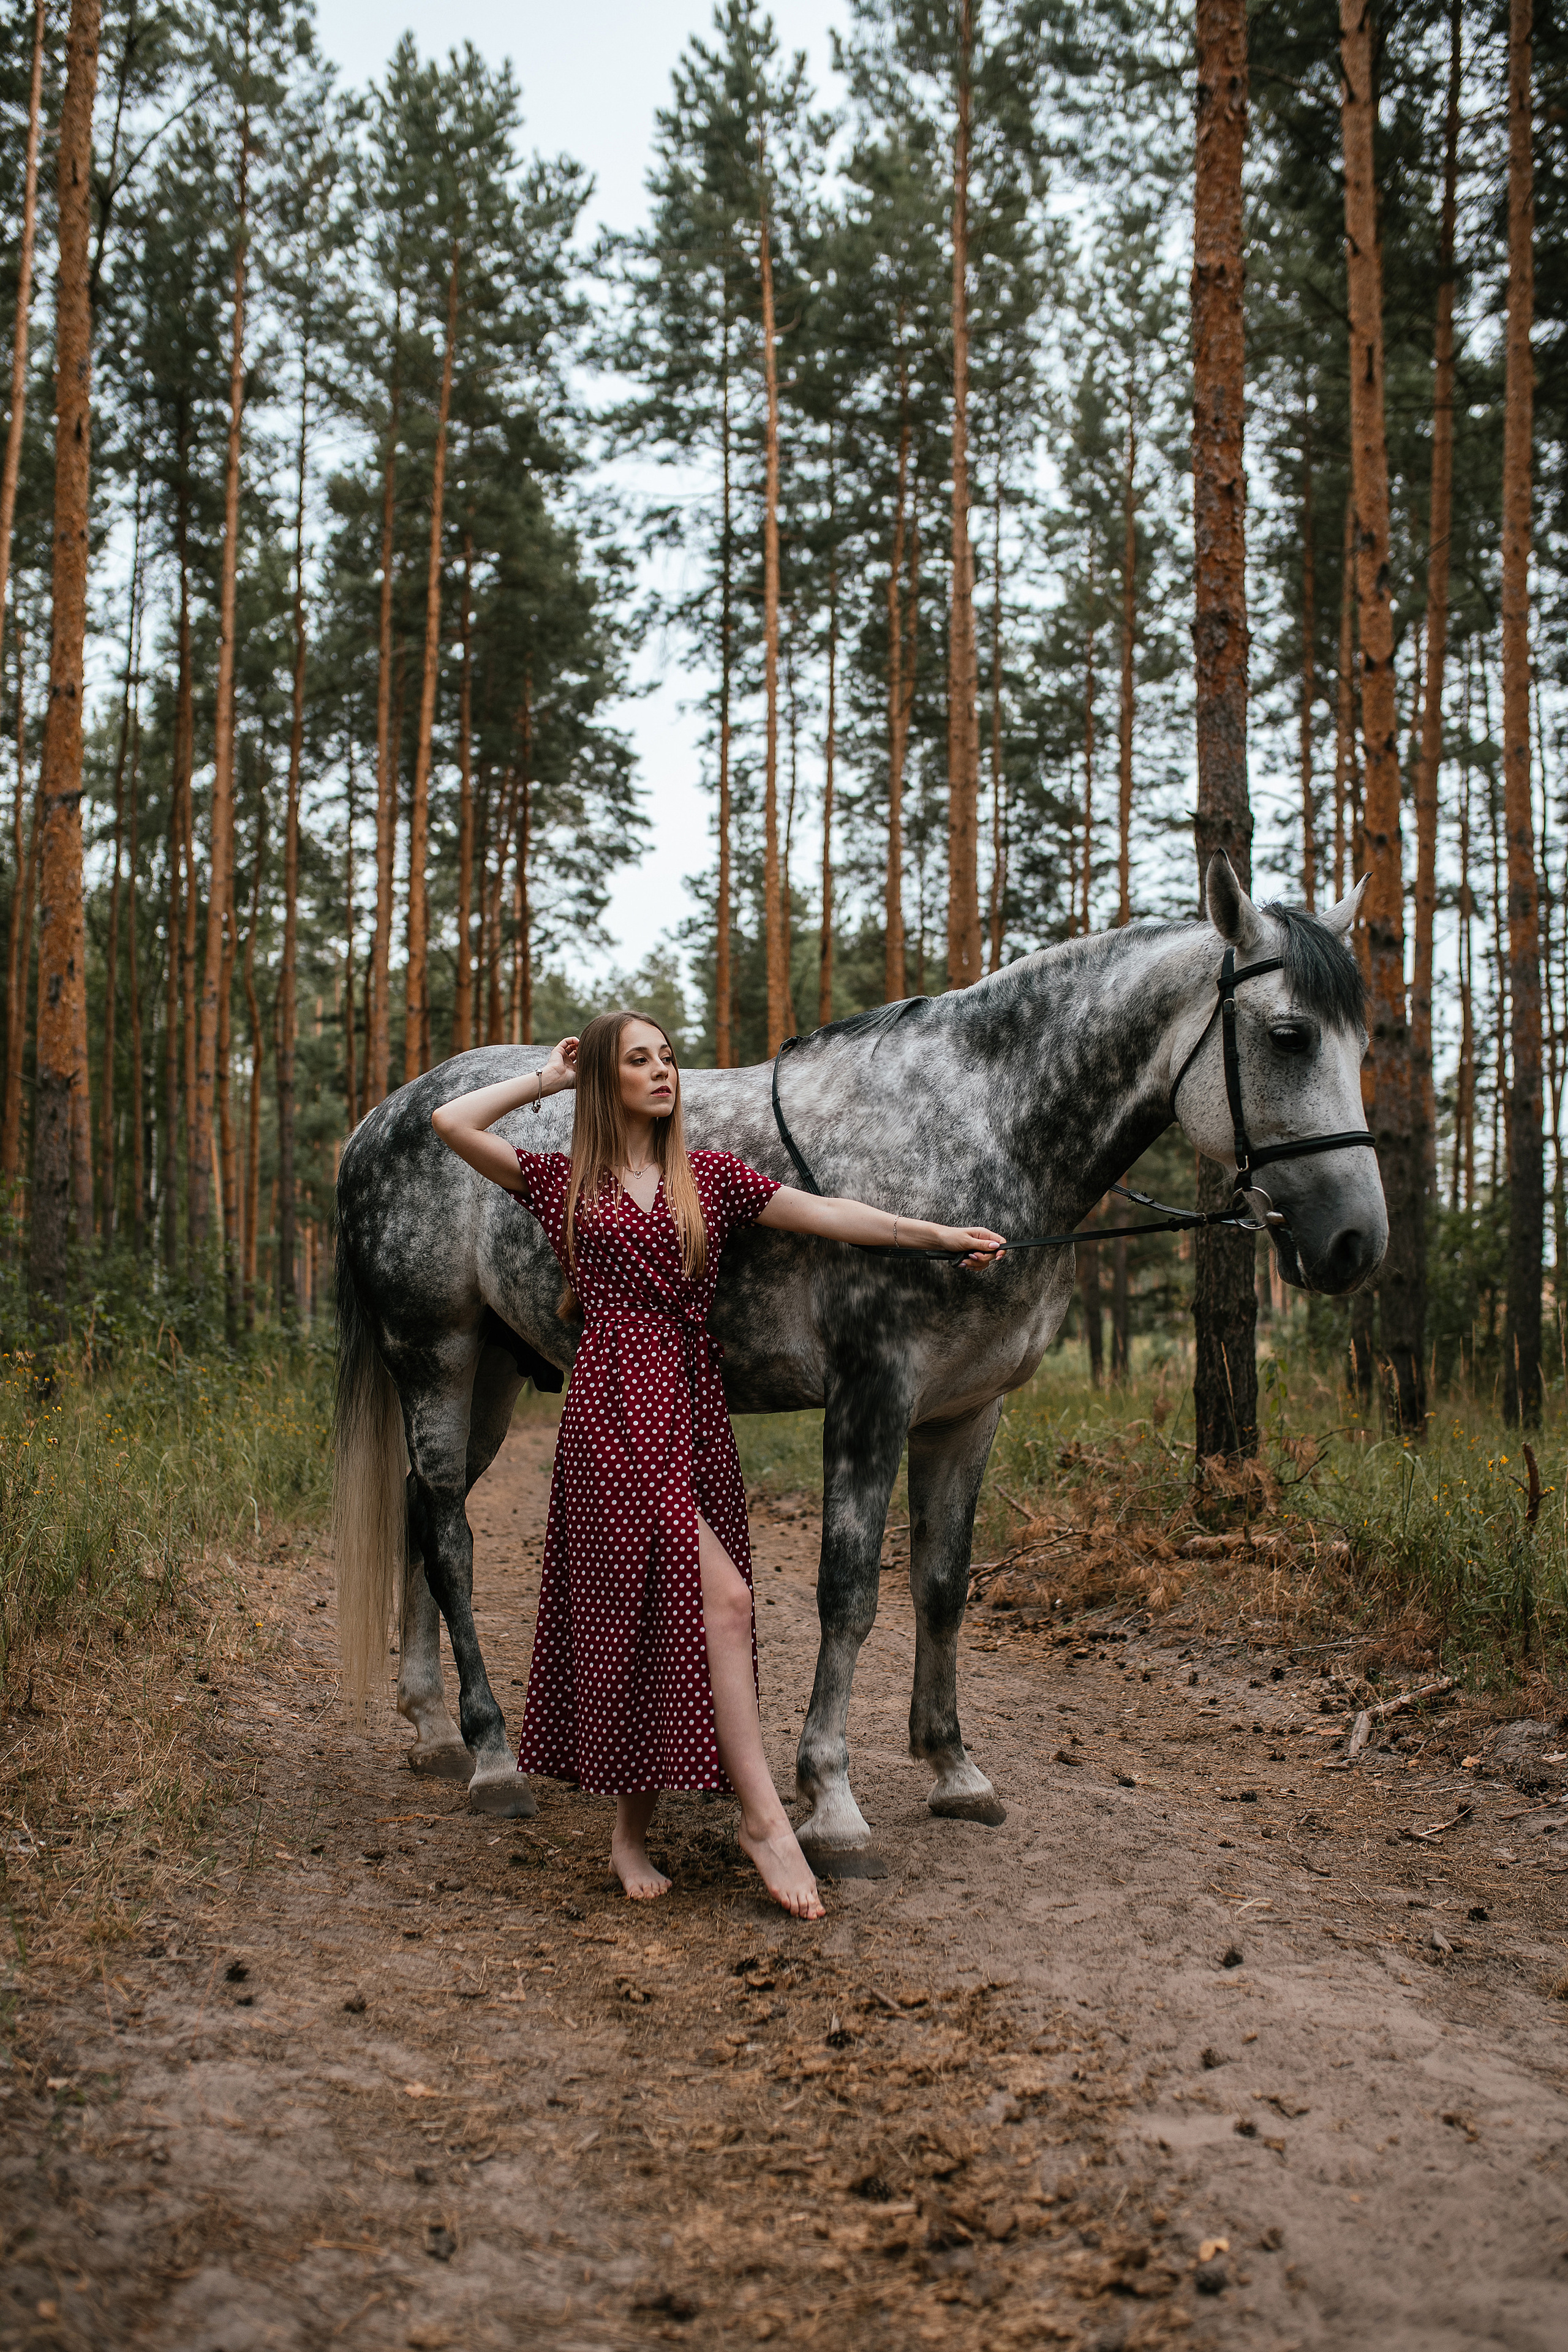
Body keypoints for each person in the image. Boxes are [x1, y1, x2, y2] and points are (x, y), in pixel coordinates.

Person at [432, 1008, 1005, 1921]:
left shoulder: (710, 1179)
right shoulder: (562, 1182)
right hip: (615, 1409)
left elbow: (828, 1216)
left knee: (663, 1612)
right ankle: (766, 1820)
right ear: (607, 1081)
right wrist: (552, 1077)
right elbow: (451, 1122)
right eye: (640, 1061)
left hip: (693, 1407)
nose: (664, 1072)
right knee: (723, 1601)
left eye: (668, 1057)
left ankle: (630, 1834)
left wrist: (943, 1237)